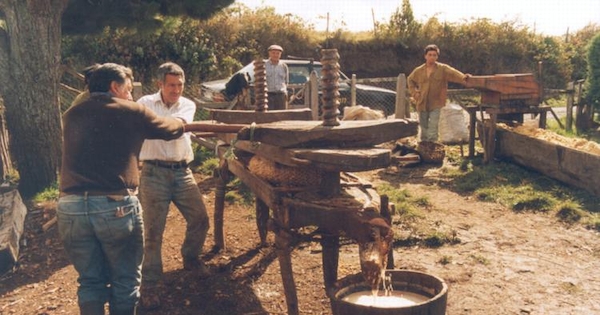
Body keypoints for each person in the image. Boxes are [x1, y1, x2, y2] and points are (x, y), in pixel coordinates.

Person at [57, 63, 186, 315]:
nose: (130, 95)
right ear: (114, 87)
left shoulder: (71, 114)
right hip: (114, 206)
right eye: (128, 89)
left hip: (70, 208)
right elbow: (170, 130)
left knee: (90, 281)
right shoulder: (131, 111)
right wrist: (182, 122)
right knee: (125, 280)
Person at [137, 62, 210, 310]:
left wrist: (155, 126)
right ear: (160, 84)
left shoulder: (187, 104)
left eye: (180, 85)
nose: (176, 90)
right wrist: (160, 126)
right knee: (153, 232)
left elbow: (175, 129)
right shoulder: (145, 103)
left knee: (200, 218)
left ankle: (191, 257)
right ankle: (150, 283)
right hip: (153, 172)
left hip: (182, 172)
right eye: (171, 85)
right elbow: (163, 129)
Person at [407, 44, 470, 142]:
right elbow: (410, 80)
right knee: (423, 127)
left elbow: (453, 72)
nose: (432, 57)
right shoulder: (419, 70)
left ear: (437, 56)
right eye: (430, 55)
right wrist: (414, 93)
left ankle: (432, 147)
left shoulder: (442, 69)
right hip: (422, 102)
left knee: (433, 126)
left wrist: (463, 77)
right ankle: (424, 147)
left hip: (436, 102)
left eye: (434, 55)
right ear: (425, 56)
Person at [265, 44, 289, 110]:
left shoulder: (284, 66)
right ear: (269, 53)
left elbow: (286, 81)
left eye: (277, 53)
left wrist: (285, 92)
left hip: (280, 95)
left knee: (281, 116)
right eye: (273, 53)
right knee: (269, 116)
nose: (275, 55)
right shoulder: (264, 65)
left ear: (280, 54)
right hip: (268, 95)